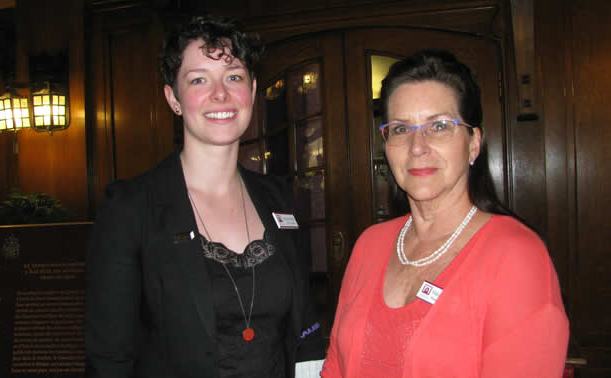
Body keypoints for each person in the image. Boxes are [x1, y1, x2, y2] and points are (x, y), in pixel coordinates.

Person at [86, 14, 325, 378]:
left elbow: (303, 327)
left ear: (253, 90)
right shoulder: (132, 207)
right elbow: (110, 359)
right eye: (199, 79)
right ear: (173, 98)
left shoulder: (278, 197)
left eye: (233, 77)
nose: (220, 94)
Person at [321, 50, 569, 378]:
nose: (417, 146)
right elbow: (336, 367)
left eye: (439, 126)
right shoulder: (370, 244)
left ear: (473, 143)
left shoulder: (516, 256)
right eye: (400, 129)